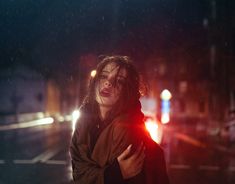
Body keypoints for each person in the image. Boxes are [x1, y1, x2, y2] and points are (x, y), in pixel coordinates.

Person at [70, 55, 170, 184]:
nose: (108, 83)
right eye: (104, 76)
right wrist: (114, 174)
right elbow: (78, 171)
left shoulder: (128, 128)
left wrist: (111, 175)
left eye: (119, 81)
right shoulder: (83, 122)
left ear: (127, 91)